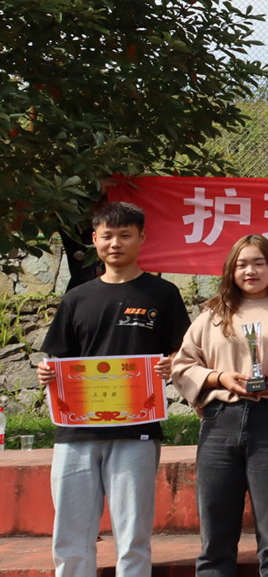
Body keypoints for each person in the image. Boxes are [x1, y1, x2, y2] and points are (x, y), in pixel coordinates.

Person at [38, 202, 192, 577]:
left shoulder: (162, 294)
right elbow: (59, 358)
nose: (115, 243)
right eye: (107, 236)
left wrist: (172, 363)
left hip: (136, 430)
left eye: (125, 235)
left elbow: (183, 351)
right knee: (70, 535)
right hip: (76, 432)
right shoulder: (77, 297)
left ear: (142, 237)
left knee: (133, 535)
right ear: (95, 239)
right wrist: (47, 372)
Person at [171, 234, 268, 577]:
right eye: (241, 264)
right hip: (220, 421)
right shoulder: (212, 316)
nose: (250, 271)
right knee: (216, 528)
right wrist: (219, 378)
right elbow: (183, 366)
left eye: (258, 263)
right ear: (230, 270)